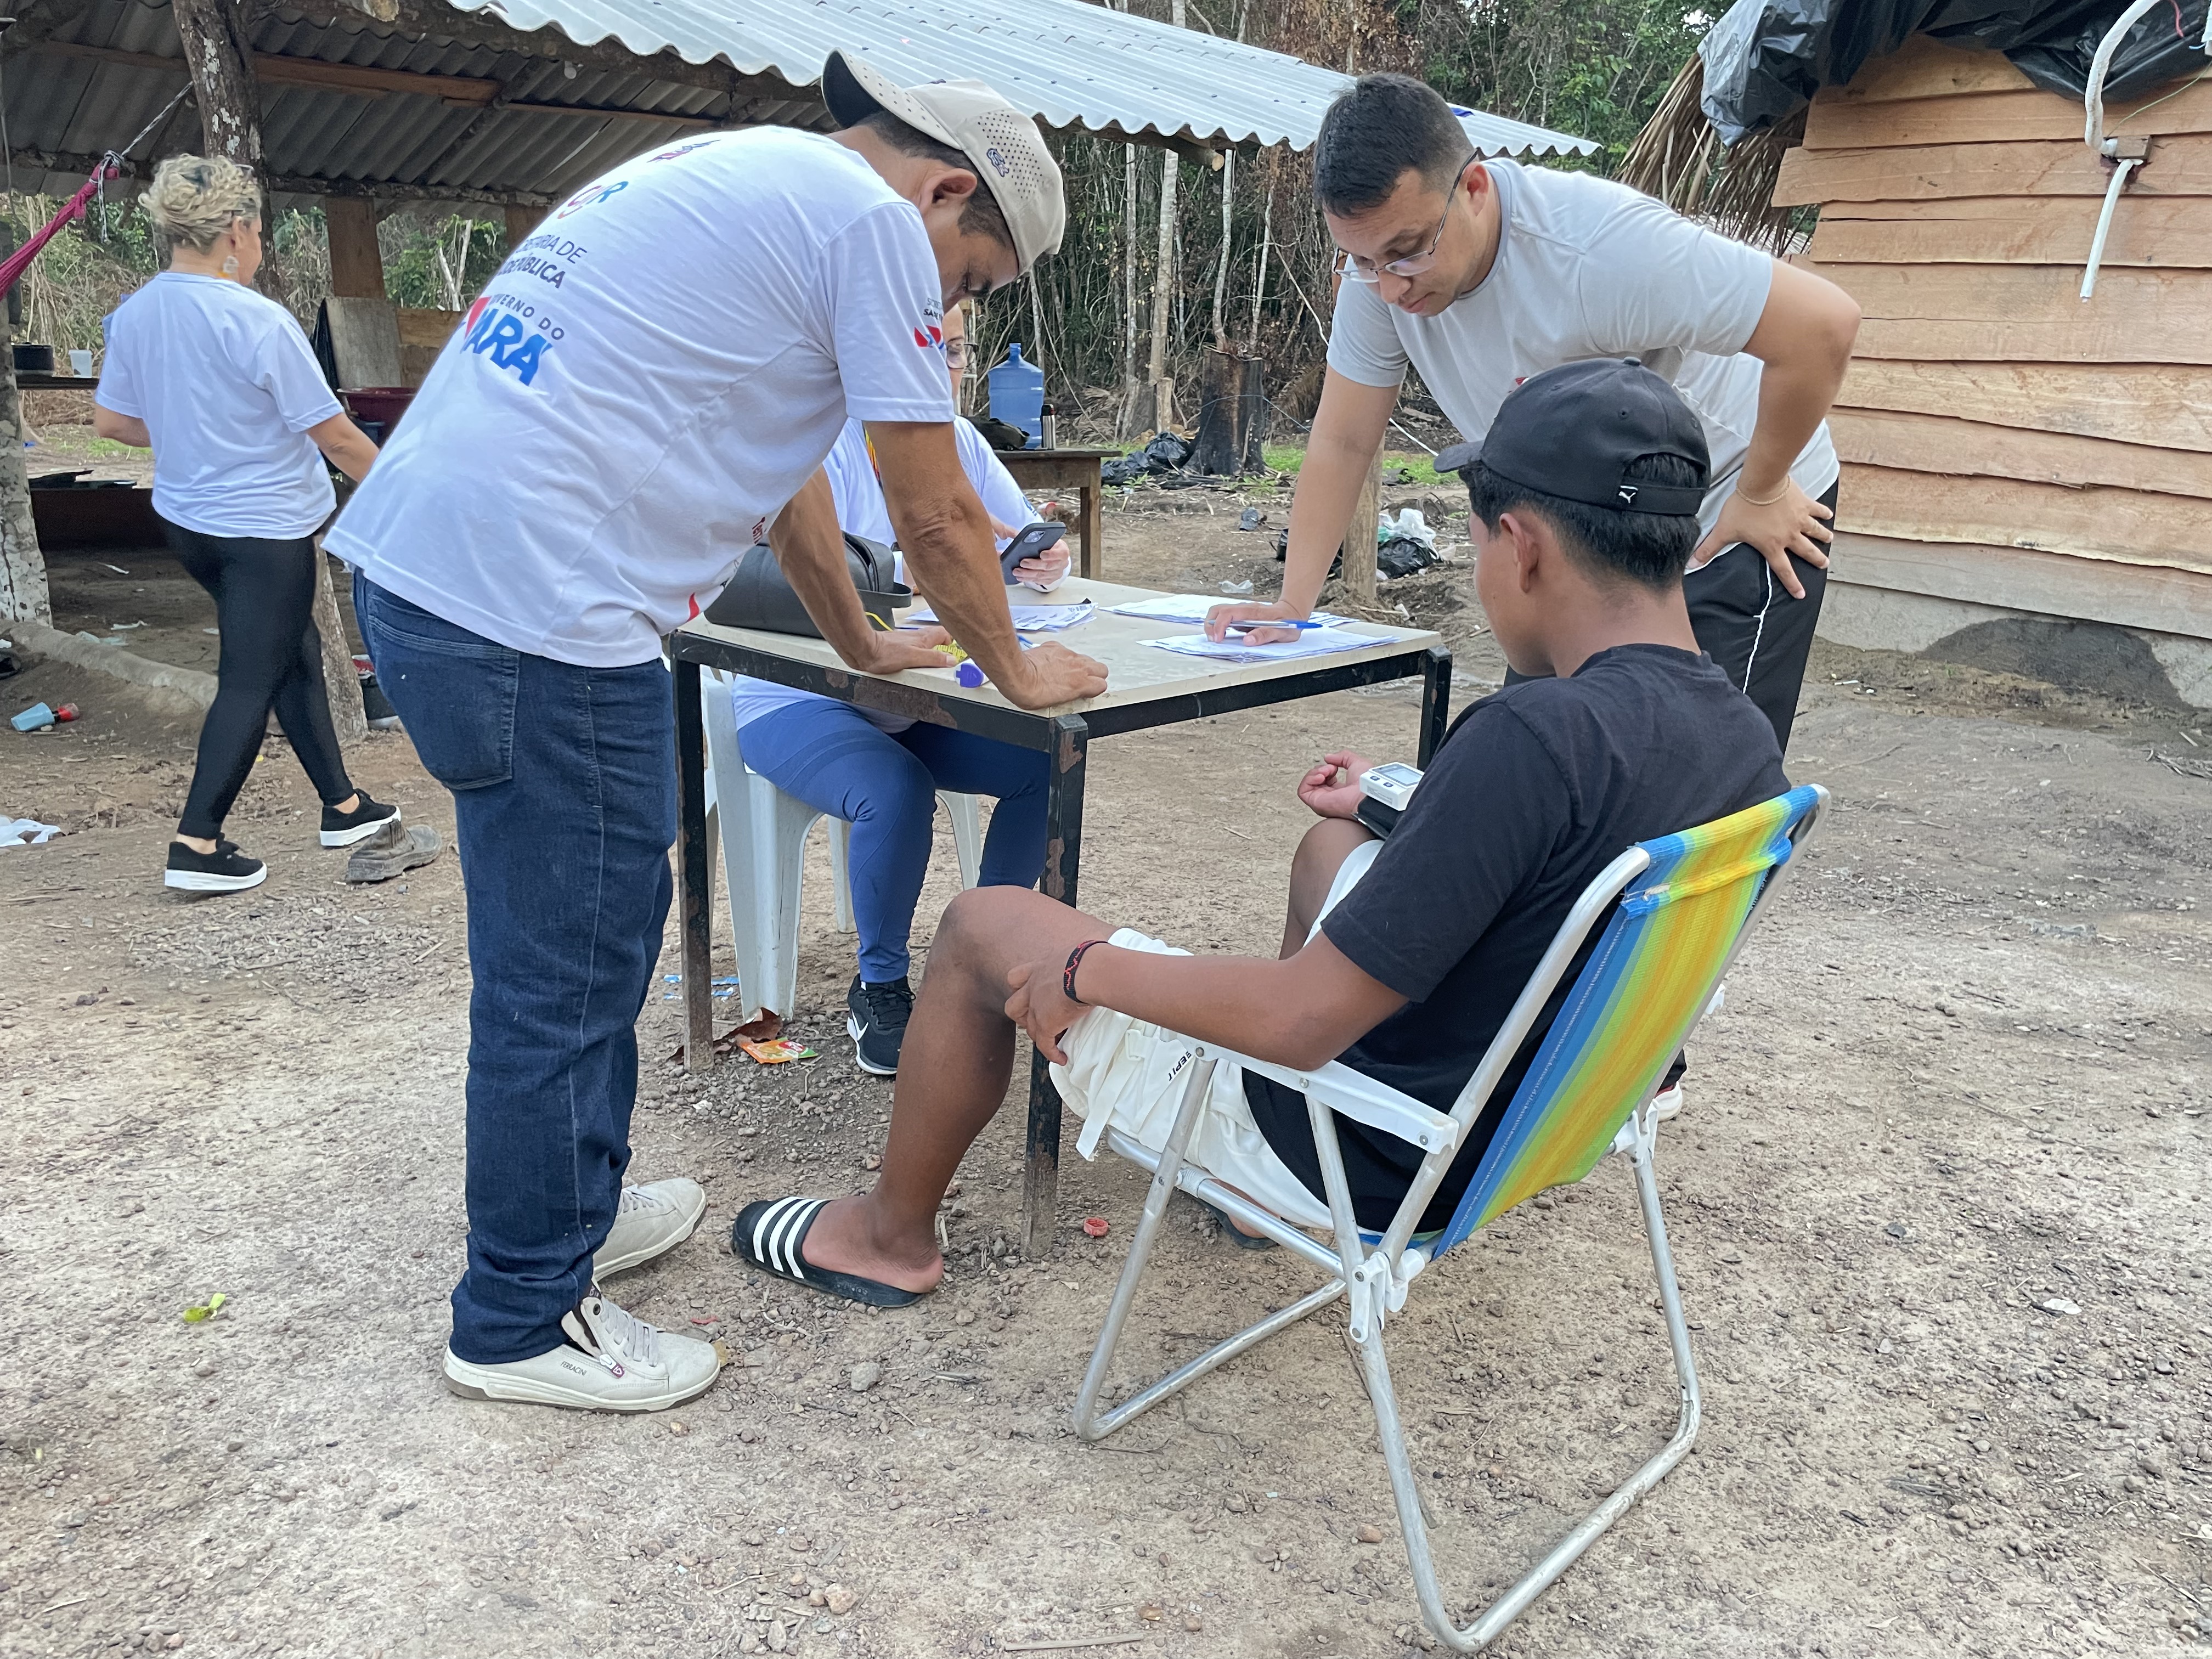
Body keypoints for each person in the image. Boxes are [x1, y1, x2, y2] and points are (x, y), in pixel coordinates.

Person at [327, 52, 1106, 1414]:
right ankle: (519, 1315)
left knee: (590, 937)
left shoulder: (752, 178)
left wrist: (860, 641)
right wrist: (1018, 669)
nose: (953, 308)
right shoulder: (871, 227)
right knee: (563, 971)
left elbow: (785, 473)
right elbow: (933, 513)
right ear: (947, 193)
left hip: (454, 584)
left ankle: (571, 1208)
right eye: (973, 279)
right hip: (538, 615)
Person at [732, 359, 1790, 1304]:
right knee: (1334, 847)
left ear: (1519, 548)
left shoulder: (1532, 734)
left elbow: (1298, 1022)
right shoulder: (1741, 741)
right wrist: (1406, 805)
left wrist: (1088, 968)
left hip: (1372, 1149)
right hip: (1529, 1124)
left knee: (980, 928)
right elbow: (1563, 852)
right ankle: (1244, 1204)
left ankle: (890, 1237)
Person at [1209, 74, 1860, 756]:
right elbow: (1344, 440)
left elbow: (1823, 325)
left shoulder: (1600, 248)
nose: (1391, 288)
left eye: (1408, 251)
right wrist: (1294, 603)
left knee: (1701, 770)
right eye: (1363, 260)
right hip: (1579, 519)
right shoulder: (1378, 278)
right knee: (1543, 754)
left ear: (1475, 188)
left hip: (1727, 503)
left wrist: (1762, 488)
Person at [727, 301, 1071, 1075]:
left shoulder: (960, 442)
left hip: (914, 690)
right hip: (800, 694)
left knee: (1041, 764)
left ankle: (989, 960)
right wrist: (926, 570)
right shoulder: (824, 440)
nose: (941, 371)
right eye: (925, 348)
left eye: (955, 352)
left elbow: (1013, 545)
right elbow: (811, 573)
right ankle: (879, 986)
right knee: (895, 787)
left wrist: (1043, 563)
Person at [92, 154, 399, 895]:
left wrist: (195, 432)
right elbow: (336, 437)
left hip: (190, 524)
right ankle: (197, 841)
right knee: (249, 677)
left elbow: (114, 423)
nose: (258, 245)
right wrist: (410, 494)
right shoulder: (257, 320)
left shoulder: (136, 314)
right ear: (237, 231)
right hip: (263, 528)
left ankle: (344, 806)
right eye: (259, 232)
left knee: (292, 646)